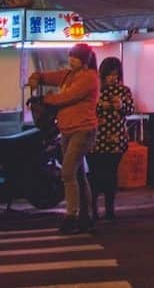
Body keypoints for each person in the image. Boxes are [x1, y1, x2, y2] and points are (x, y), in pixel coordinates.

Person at [29, 43, 100, 234]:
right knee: (78, 174)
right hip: (67, 130)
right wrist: (37, 77)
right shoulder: (69, 75)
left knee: (68, 172)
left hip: (83, 130)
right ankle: (86, 217)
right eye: (71, 56)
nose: (71, 60)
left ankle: (71, 216)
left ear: (84, 60)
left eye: (75, 57)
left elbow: (67, 97)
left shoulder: (89, 78)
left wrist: (46, 98)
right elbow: (50, 77)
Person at [89, 57, 135, 221]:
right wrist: (103, 106)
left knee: (110, 174)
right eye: (109, 74)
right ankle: (92, 209)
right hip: (95, 139)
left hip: (116, 139)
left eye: (116, 74)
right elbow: (87, 108)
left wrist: (121, 106)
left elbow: (131, 109)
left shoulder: (124, 91)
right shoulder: (95, 90)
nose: (113, 78)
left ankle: (109, 210)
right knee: (94, 174)